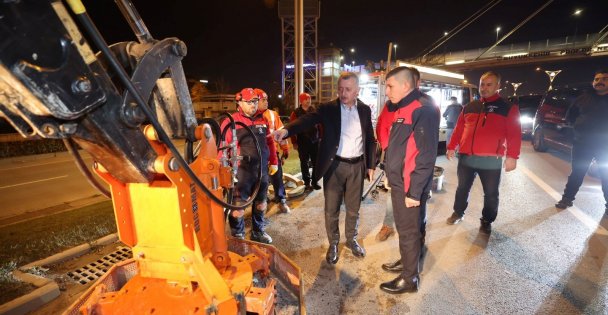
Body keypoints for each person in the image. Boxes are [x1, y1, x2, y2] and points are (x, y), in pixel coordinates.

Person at [274, 72, 376, 265]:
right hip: (334, 166)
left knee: (354, 209)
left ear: (357, 91)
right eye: (340, 89)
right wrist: (286, 130)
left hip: (357, 166)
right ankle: (334, 243)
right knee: (331, 209)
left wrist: (371, 164)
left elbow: (370, 137)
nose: (343, 93)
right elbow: (307, 120)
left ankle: (351, 239)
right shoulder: (328, 109)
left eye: (348, 89)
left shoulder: (364, 110)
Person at [377, 66, 439, 294]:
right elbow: (398, 148)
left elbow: (426, 154)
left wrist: (414, 192)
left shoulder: (422, 108)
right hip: (400, 180)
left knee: (407, 230)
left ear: (406, 85)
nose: (387, 91)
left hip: (410, 184)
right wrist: (389, 174)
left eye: (390, 86)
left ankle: (409, 279)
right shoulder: (402, 106)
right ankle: (408, 261)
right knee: (412, 228)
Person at [445, 71, 521, 235]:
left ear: (498, 86)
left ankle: (486, 221)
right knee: (462, 189)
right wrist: (452, 146)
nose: (484, 88)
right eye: (482, 84)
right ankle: (458, 212)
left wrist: (512, 157)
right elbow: (459, 129)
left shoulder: (508, 108)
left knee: (491, 194)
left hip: (491, 160)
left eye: (489, 84)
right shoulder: (469, 107)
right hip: (466, 158)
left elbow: (514, 134)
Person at [221, 88, 279, 244]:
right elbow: (223, 147)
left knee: (261, 203)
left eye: (255, 101)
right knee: (238, 208)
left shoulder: (263, 119)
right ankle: (238, 237)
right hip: (241, 171)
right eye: (249, 102)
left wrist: (274, 161)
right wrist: (224, 171)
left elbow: (269, 142)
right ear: (239, 102)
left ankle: (258, 232)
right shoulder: (230, 122)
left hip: (261, 170)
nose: (253, 105)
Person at [555, 69, 608, 214]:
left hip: (605, 146)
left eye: (604, 79)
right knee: (577, 172)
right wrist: (578, 129)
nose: (600, 82)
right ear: (593, 82)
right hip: (582, 144)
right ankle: (567, 199)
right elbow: (570, 116)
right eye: (597, 79)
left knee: (606, 175)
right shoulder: (583, 98)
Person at [255, 88, 291, 213]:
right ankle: (262, 202)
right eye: (263, 100)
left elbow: (281, 134)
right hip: (257, 156)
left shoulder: (273, 114)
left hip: (272, 154)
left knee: (277, 177)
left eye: (267, 100)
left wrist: (285, 148)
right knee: (261, 180)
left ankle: (281, 200)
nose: (266, 102)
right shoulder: (250, 116)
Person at [290, 92, 321, 190]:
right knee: (304, 162)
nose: (308, 101)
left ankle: (315, 182)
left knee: (316, 162)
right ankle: (307, 183)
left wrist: (321, 137)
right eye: (306, 99)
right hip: (302, 141)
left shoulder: (314, 111)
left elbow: (320, 125)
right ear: (301, 101)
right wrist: (294, 142)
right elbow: (292, 128)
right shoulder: (295, 113)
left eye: (309, 99)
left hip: (315, 141)